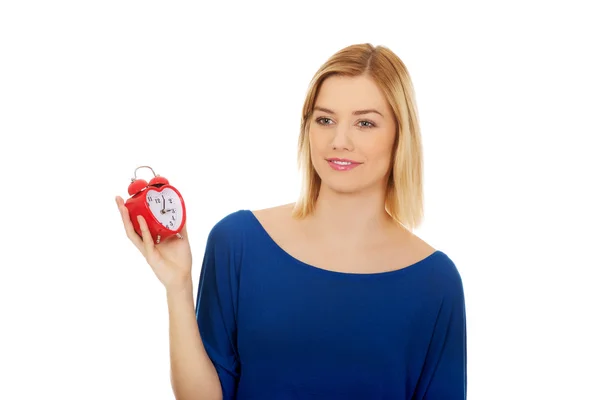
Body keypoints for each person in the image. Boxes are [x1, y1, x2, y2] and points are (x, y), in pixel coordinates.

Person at [116, 43, 467, 400]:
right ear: (308, 128)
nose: (339, 141)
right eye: (325, 119)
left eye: (365, 123)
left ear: (399, 136)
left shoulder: (436, 282)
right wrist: (177, 287)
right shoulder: (238, 243)